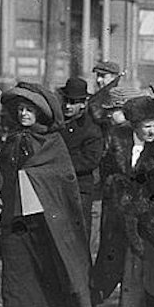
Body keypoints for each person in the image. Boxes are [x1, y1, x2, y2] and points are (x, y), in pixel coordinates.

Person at [0, 82, 93, 307]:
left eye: (29, 109)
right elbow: (5, 169)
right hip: (16, 210)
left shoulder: (52, 141)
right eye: (21, 109)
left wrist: (34, 177)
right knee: (14, 261)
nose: (23, 114)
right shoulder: (13, 138)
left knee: (57, 259)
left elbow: (61, 176)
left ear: (40, 112)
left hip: (46, 213)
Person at [91, 95, 154, 307]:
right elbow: (106, 170)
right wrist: (117, 190)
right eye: (146, 125)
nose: (151, 130)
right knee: (121, 262)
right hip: (120, 211)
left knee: (143, 264)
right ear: (135, 124)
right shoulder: (118, 138)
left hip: (150, 214)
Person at [57, 77, 103, 258]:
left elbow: (90, 160)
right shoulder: (57, 124)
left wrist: (60, 165)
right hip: (57, 187)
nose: (68, 106)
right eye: (66, 101)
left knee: (78, 239)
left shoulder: (91, 129)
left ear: (83, 104)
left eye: (73, 102)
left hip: (79, 190)